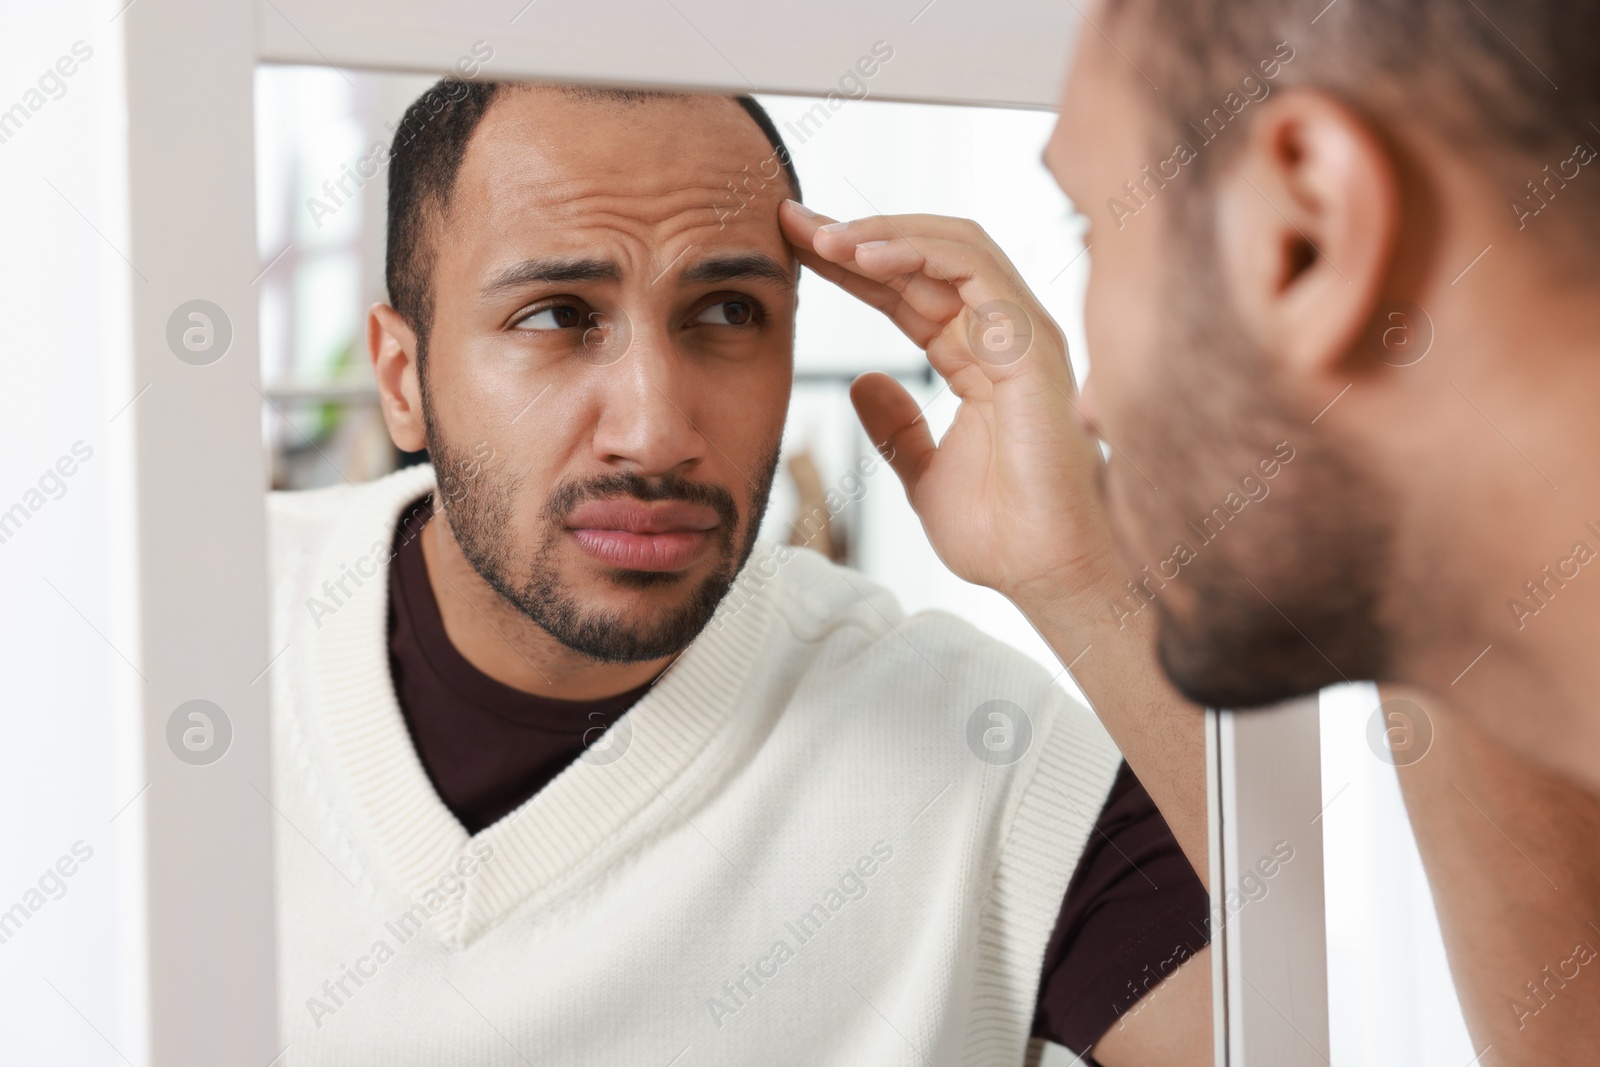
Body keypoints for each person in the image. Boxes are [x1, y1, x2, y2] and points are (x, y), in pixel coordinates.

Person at [266, 80, 1212, 1065]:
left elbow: (1302, 1022)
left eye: (725, 309)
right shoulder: (186, 629)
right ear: (400, 379)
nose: (655, 433)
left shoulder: (980, 746)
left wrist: (1078, 574)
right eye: (555, 316)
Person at [780, 0, 1600, 1060]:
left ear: (1309, 228)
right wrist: (1073, 565)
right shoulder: (1483, 629)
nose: (1090, 399)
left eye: (1093, 229)